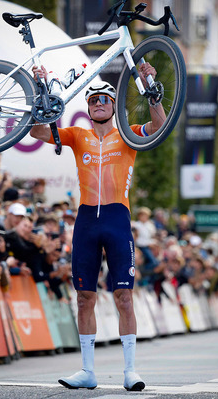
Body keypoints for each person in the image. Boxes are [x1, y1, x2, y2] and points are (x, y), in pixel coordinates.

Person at [30, 63, 165, 391]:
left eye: (105, 98)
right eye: (93, 101)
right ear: (88, 109)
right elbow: (36, 132)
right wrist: (40, 90)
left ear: (114, 104)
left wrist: (151, 84)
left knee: (124, 297)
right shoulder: (78, 136)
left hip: (118, 220)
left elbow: (160, 124)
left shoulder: (129, 134)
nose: (99, 103)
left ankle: (130, 370)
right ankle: (87, 371)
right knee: (84, 297)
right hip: (87, 221)